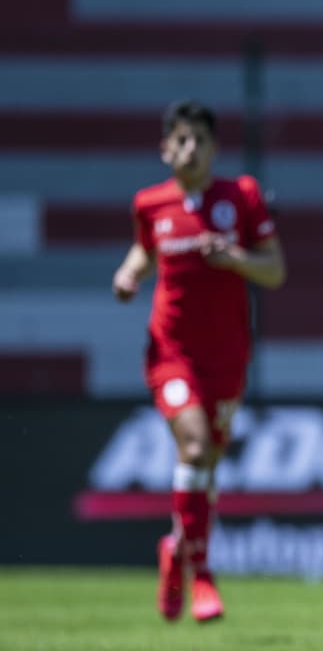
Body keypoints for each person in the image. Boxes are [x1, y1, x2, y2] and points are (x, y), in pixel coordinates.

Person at [111, 99, 286, 622]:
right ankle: (203, 575)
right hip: (171, 351)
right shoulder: (150, 204)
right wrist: (128, 274)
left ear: (214, 149)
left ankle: (176, 550)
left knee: (206, 463)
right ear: (166, 148)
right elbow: (145, 250)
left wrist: (232, 258)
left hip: (227, 354)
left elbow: (274, 270)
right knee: (192, 444)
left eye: (200, 141)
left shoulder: (242, 197)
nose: (191, 149)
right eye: (181, 140)